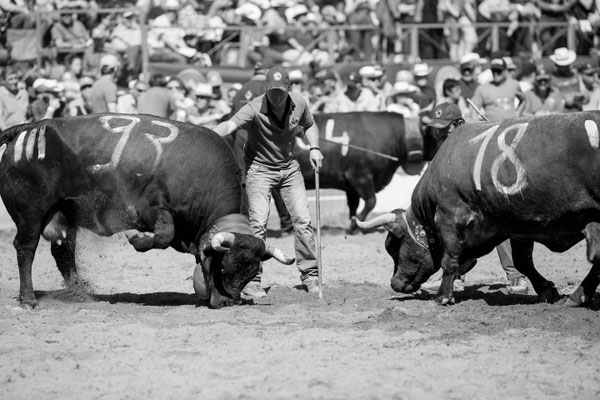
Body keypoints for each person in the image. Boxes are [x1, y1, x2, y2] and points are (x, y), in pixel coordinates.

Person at [213, 65, 323, 298]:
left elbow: (310, 124)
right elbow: (230, 125)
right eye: (272, 91)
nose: (276, 96)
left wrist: (314, 147)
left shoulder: (299, 102)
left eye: (280, 91)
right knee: (258, 226)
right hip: (260, 169)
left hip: (289, 168)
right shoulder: (253, 108)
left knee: (302, 220)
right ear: (266, 89)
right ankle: (252, 280)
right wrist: (210, 135)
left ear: (288, 88)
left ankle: (311, 275)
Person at [423, 102, 529, 294]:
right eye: (437, 129)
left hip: (494, 196)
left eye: (444, 129)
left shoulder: (479, 136)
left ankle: (515, 276)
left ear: (459, 124)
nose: (440, 134)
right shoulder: (447, 146)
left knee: (499, 222)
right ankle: (457, 274)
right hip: (470, 200)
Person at [0, 66, 29, 130]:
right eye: (11, 79)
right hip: (8, 132)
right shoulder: (1, 93)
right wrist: (5, 133)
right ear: (3, 81)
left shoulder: (23, 93)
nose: (14, 81)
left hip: (24, 131)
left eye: (16, 78)